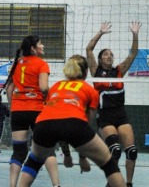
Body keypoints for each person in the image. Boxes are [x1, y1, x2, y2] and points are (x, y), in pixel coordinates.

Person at [18, 55, 126, 187]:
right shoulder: (91, 91)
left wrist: (67, 155)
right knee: (109, 163)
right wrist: (82, 157)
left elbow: (58, 124)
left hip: (43, 124)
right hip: (74, 123)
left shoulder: (55, 87)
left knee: (34, 161)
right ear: (86, 72)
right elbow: (83, 126)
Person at [86, 21, 142, 187]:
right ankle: (113, 182)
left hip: (121, 115)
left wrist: (135, 34)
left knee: (132, 152)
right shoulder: (96, 71)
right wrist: (100, 33)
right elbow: (88, 49)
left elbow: (133, 53)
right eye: (105, 54)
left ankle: (129, 184)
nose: (109, 56)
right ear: (100, 58)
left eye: (111, 54)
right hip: (105, 117)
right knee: (115, 150)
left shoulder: (119, 71)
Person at [3, 35, 60, 187]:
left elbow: (9, 88)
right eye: (40, 44)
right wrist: (50, 100)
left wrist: (13, 106)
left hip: (18, 111)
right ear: (33, 48)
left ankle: (12, 185)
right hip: (37, 110)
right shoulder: (41, 64)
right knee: (47, 150)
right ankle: (56, 185)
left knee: (19, 152)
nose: (43, 46)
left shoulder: (16, 64)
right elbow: (43, 87)